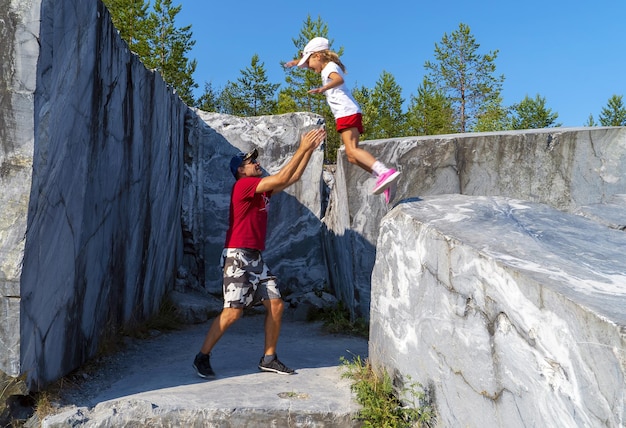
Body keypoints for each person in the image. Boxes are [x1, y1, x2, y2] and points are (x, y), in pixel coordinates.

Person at [193, 127, 327, 379]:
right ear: (240, 171)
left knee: (276, 304)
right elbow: (280, 177)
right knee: (233, 312)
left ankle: (269, 358)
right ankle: (202, 357)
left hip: (254, 257)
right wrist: (302, 147)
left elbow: (291, 177)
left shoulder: (259, 189)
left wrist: (309, 150)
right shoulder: (243, 186)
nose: (256, 163)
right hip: (237, 256)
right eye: (251, 161)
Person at [285, 36, 400, 203]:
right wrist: (297, 62)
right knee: (352, 157)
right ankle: (383, 179)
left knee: (352, 150)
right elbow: (317, 63)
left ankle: (383, 172)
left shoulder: (329, 68)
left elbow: (339, 80)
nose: (309, 68)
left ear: (318, 56)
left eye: (309, 63)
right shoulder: (327, 64)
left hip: (347, 113)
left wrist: (324, 88)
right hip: (348, 113)